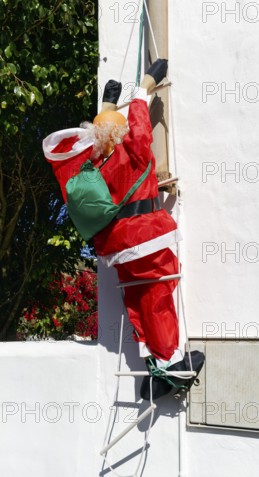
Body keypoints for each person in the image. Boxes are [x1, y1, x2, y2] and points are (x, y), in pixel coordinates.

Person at [43, 59, 204, 399]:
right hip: (144, 237)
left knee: (136, 298)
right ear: (121, 135)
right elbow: (141, 130)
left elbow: (101, 133)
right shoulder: (131, 153)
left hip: (116, 248)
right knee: (157, 295)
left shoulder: (95, 166)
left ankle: (152, 366)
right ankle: (172, 364)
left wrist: (106, 105)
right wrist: (142, 89)